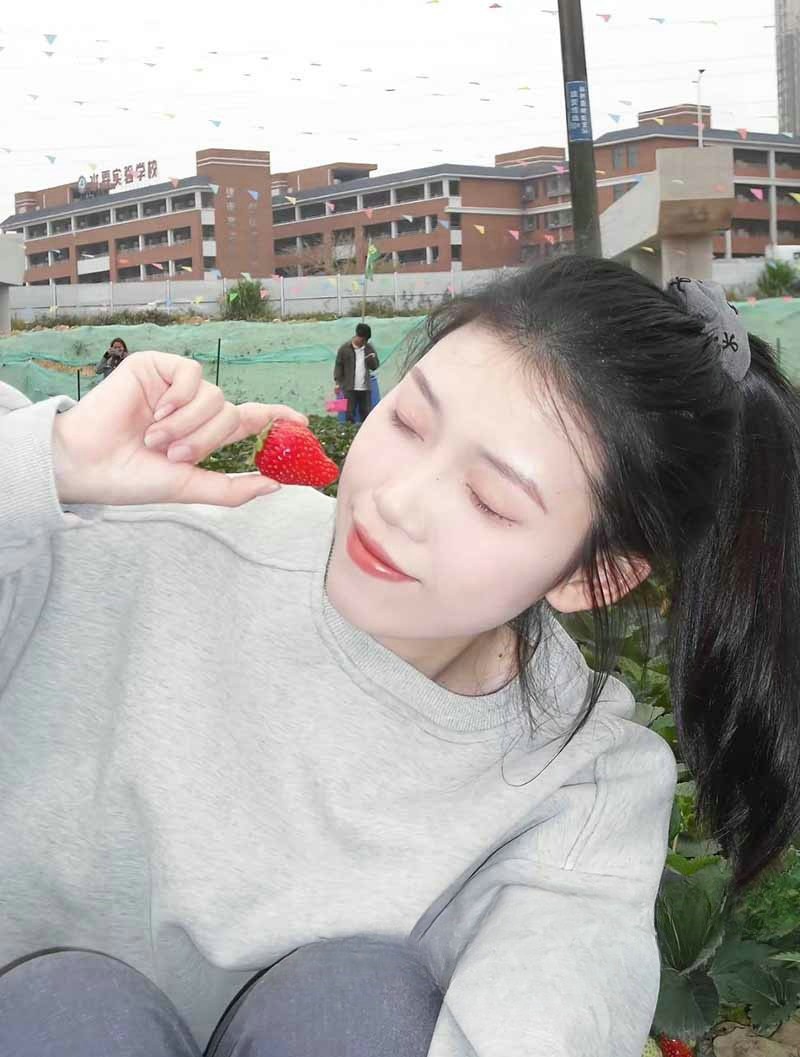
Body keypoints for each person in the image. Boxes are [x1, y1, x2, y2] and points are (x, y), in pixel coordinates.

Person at [0, 257, 799, 1057]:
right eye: (410, 424)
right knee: (69, 1011)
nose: (396, 501)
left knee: (352, 1005)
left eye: (490, 501)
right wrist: (48, 464)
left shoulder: (575, 784)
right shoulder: (139, 543)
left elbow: (541, 1022)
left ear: (594, 578)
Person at [334, 322, 380, 425]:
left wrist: (371, 359)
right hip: (349, 388)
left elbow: (375, 366)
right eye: (363, 340)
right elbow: (338, 366)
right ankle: (349, 432)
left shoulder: (369, 348)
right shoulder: (344, 349)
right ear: (358, 337)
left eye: (366, 341)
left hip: (365, 388)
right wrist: (337, 383)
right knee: (349, 414)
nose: (364, 343)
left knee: (366, 414)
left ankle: (366, 433)